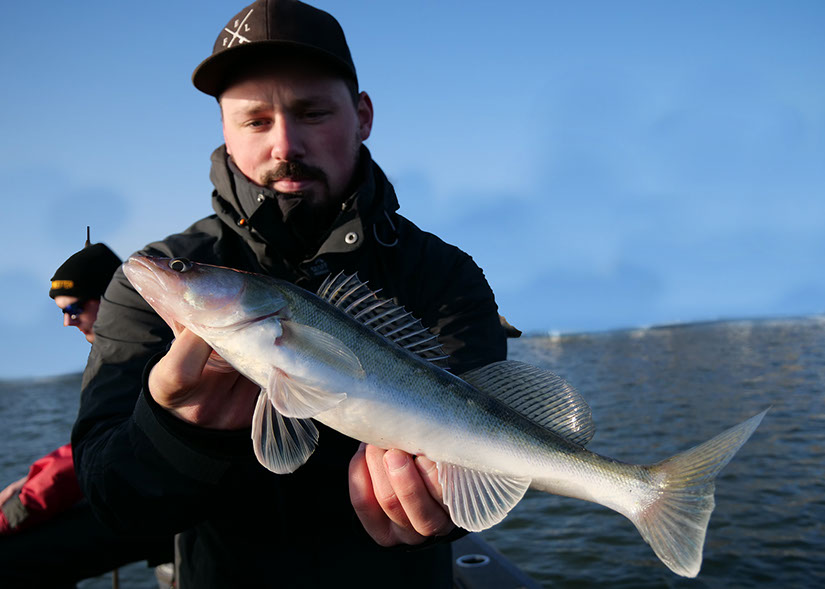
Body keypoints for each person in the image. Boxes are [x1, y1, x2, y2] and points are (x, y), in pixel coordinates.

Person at [72, 1, 507, 587]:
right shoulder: (142, 288)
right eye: (255, 121)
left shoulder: (444, 274)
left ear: (362, 116)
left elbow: (490, 448)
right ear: (224, 129)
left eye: (312, 112)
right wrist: (176, 431)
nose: (285, 144)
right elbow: (112, 502)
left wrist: (443, 504)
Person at [0, 242, 172, 588]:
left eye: (75, 308)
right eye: (62, 312)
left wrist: (14, 511)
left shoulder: (145, 353)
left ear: (112, 298)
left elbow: (114, 447)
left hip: (167, 505)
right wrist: (32, 478)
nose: (68, 321)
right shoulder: (140, 344)